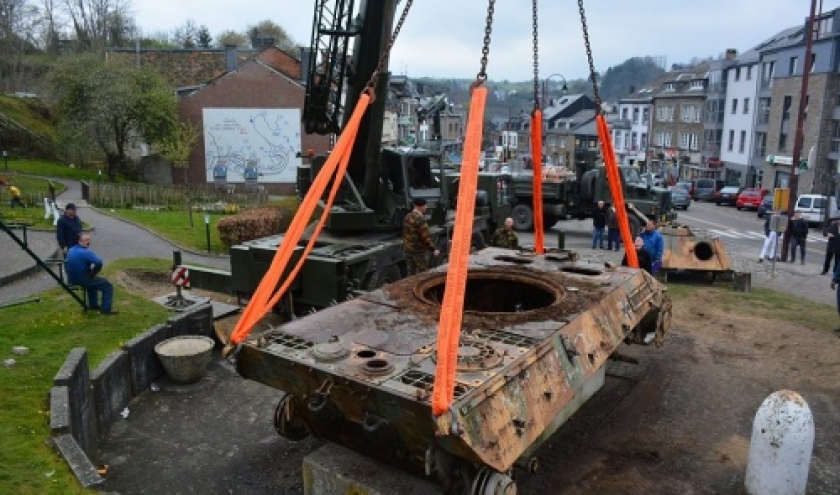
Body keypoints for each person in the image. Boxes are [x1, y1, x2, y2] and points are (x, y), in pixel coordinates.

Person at [65, 234, 118, 315]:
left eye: (89, 240)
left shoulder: (71, 249)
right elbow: (99, 263)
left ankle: (93, 305)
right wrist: (93, 273)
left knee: (92, 283)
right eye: (85, 240)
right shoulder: (85, 252)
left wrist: (92, 275)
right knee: (107, 286)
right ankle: (106, 310)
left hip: (71, 278)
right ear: (79, 241)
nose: (88, 242)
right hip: (82, 279)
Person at [403, 198, 440, 275]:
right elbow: (425, 238)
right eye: (425, 205)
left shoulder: (407, 217)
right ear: (420, 207)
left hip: (408, 250)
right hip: (418, 252)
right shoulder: (420, 219)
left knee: (411, 274)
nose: (426, 207)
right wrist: (433, 249)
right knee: (423, 274)